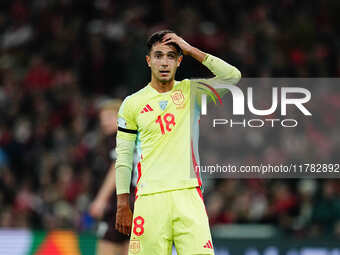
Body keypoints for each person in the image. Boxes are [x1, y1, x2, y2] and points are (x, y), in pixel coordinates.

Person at [114, 30, 241, 255]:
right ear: (148, 60)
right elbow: (123, 157)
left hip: (188, 194)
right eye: (158, 55)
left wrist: (191, 49)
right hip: (149, 198)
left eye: (171, 56)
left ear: (179, 61)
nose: (164, 62)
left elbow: (233, 77)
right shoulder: (132, 104)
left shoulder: (192, 92)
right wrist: (122, 203)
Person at [89, 99, 132, 255]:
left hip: (119, 206)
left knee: (107, 246)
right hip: (130, 204)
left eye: (108, 117)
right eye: (102, 119)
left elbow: (118, 167)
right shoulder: (119, 138)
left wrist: (101, 199)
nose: (104, 122)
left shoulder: (120, 137)